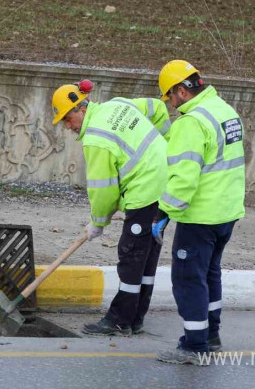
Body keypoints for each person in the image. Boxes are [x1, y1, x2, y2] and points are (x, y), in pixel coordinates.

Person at [51, 80, 167, 336]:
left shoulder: (96, 138)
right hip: (166, 185)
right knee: (147, 257)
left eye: (68, 119)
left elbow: (104, 190)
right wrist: (164, 143)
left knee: (131, 255)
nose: (68, 126)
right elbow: (158, 107)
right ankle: (136, 318)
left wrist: (98, 222)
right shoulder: (118, 104)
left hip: (144, 190)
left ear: (81, 108)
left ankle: (119, 320)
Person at [151, 60, 246, 365]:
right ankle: (211, 334)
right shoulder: (225, 111)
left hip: (200, 216)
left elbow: (184, 179)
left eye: (170, 97)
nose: (171, 104)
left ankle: (195, 346)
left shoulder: (191, 123)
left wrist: (164, 212)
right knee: (210, 272)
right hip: (227, 213)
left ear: (182, 90)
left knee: (188, 278)